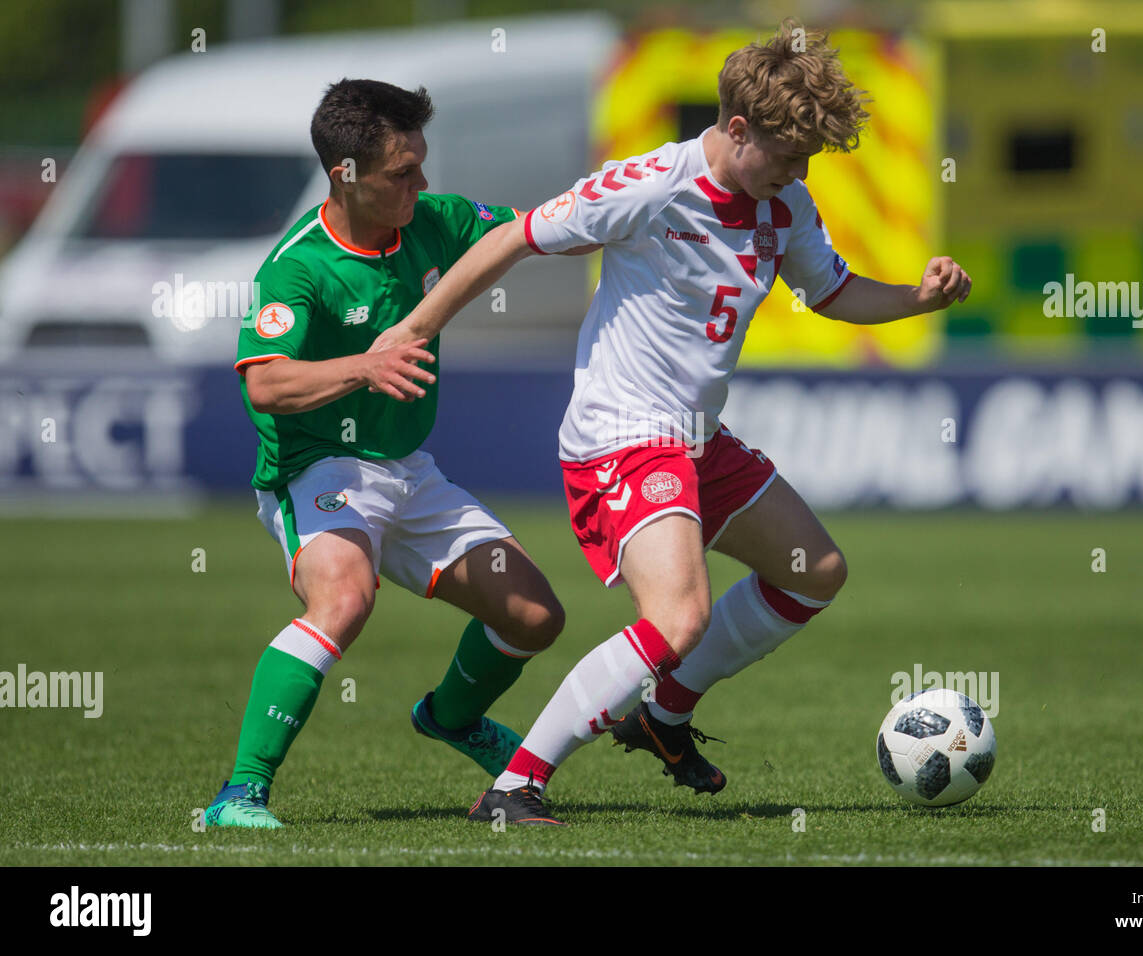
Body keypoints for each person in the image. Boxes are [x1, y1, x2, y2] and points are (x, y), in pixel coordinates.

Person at [371, 22, 971, 826]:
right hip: (621, 435)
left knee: (815, 572)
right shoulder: (648, 185)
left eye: (807, 160)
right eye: (789, 154)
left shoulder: (783, 200)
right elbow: (513, 238)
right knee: (678, 617)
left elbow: (830, 293)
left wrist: (917, 299)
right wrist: (413, 330)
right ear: (735, 128)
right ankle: (515, 785)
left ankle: (664, 714)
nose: (798, 173)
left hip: (695, 438)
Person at [204, 79, 566, 828]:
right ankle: (240, 793)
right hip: (316, 473)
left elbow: (532, 228)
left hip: (410, 473)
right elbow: (267, 384)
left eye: (421, 165)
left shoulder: (434, 220)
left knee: (534, 616)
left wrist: (635, 205)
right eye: (403, 172)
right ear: (345, 174)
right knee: (344, 598)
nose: (422, 183)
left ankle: (450, 717)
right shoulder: (297, 267)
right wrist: (362, 367)